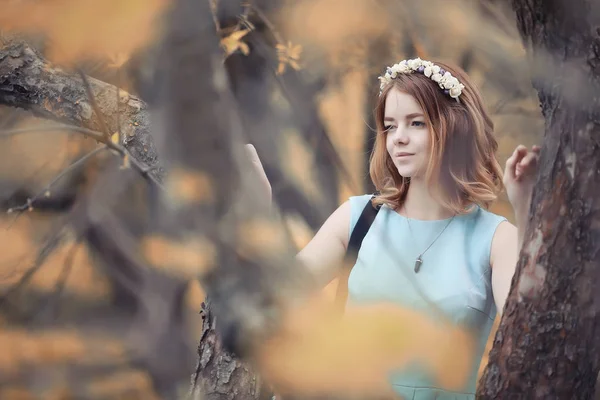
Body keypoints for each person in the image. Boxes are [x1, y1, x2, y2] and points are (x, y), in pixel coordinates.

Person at [246, 57, 540, 399]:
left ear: (455, 127)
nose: (398, 138)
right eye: (389, 126)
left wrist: (527, 207)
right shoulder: (357, 217)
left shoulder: (497, 238)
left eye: (416, 123)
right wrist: (255, 217)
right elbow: (272, 300)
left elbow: (530, 331)